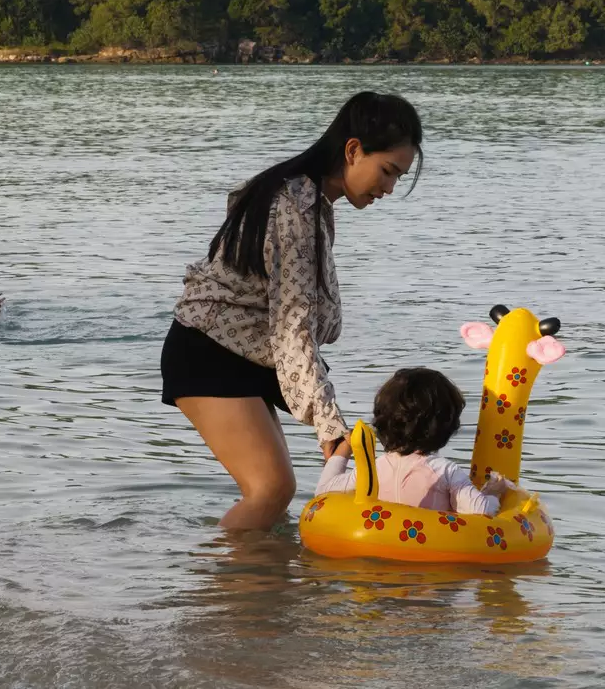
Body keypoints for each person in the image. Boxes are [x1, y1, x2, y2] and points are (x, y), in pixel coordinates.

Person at [161, 90, 424, 531]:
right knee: (270, 491)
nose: (390, 189)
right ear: (353, 150)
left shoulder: (307, 198)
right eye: (387, 172)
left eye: (397, 177)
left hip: (241, 353)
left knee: (275, 490)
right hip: (208, 352)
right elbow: (293, 329)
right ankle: (213, 595)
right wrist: (328, 425)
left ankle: (253, 593)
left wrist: (327, 418)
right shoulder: (296, 208)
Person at [314, 367, 509, 514]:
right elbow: (481, 510)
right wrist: (493, 493)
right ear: (446, 426)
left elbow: (323, 491)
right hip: (432, 557)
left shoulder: (374, 470)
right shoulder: (445, 472)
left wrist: (346, 447)